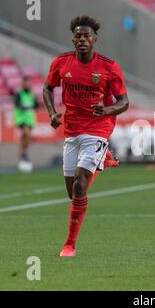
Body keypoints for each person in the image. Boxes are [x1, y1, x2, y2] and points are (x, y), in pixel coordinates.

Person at [43, 15, 129, 257]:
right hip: (72, 129)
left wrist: (108, 110)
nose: (82, 39)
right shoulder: (61, 63)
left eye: (86, 36)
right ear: (73, 39)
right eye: (78, 36)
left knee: (81, 186)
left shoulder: (108, 67)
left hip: (98, 128)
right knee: (73, 193)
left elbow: (124, 101)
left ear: (95, 39)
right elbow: (47, 88)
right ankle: (104, 160)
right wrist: (51, 113)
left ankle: (69, 245)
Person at [13, 76, 39, 165]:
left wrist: (30, 106)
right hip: (22, 118)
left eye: (29, 83)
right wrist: (27, 107)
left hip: (30, 119)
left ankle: (23, 152)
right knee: (27, 134)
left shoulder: (32, 94)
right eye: (26, 83)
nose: (28, 85)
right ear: (23, 84)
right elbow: (17, 105)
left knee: (25, 138)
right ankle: (24, 152)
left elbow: (36, 105)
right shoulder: (19, 94)